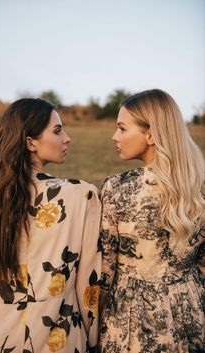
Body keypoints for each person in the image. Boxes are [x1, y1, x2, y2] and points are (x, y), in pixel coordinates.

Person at [0, 98, 101, 353]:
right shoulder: (82, 196)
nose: (67, 138)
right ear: (30, 142)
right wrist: (93, 340)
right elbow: (89, 286)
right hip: (60, 342)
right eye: (57, 130)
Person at [98, 89, 205, 353]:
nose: (115, 136)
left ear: (150, 134)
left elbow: (105, 271)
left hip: (132, 318)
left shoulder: (117, 188)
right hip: (191, 310)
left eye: (122, 128)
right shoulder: (199, 187)